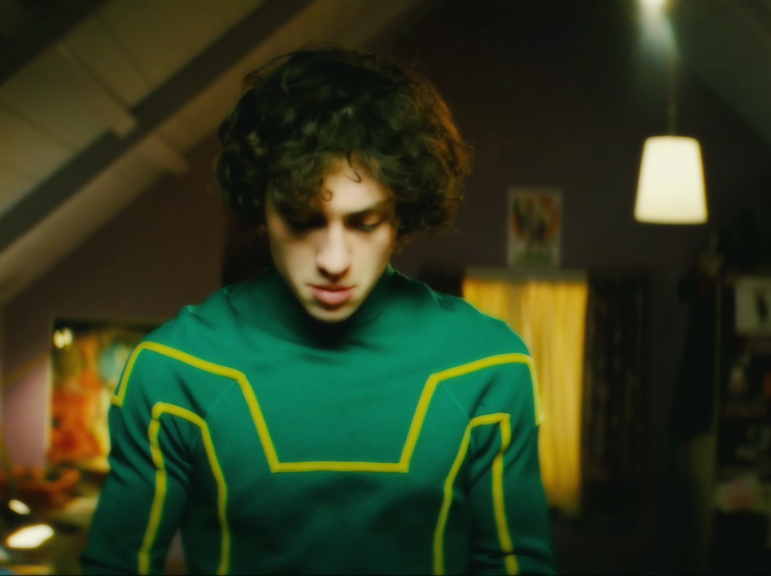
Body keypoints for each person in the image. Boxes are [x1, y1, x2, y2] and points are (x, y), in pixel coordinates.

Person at [80, 46, 555, 575]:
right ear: (260, 207)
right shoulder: (171, 371)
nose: (333, 261)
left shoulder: (489, 365)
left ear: (402, 214)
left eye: (364, 223)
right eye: (303, 220)